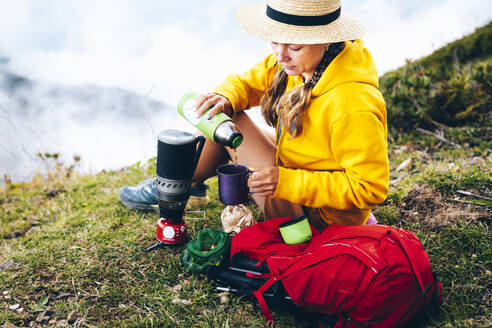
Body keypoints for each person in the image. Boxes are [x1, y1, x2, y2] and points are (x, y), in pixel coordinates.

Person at [120, 0, 388, 231]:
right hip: (297, 173)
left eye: (293, 47)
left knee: (231, 122)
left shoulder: (352, 103)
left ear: (325, 38)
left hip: (319, 218)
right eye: (274, 41)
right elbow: (246, 84)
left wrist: (286, 182)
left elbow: (369, 187)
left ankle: (175, 187)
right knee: (222, 112)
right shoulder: (303, 63)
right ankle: (183, 184)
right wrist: (224, 98)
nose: (280, 55)